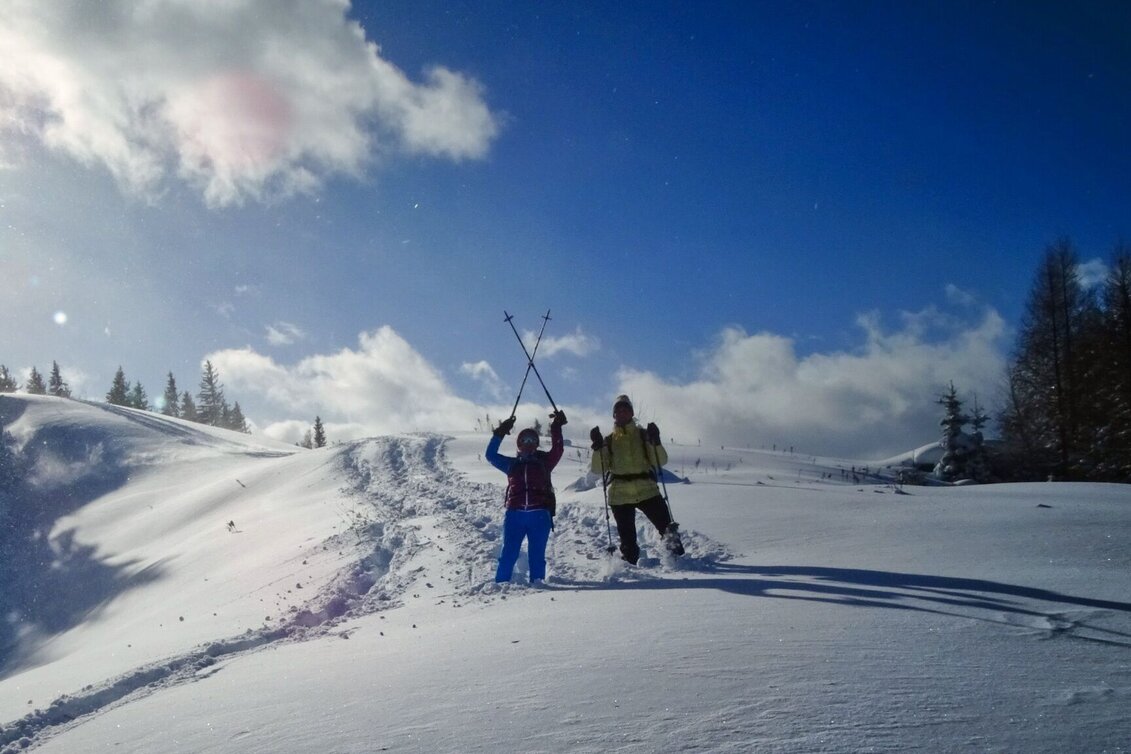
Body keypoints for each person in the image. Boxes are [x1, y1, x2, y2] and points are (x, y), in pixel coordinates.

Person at [590, 395, 684, 565]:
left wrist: (655, 442)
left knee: (668, 530)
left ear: (631, 413)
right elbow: (598, 469)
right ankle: (631, 568)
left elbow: (660, 461)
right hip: (620, 495)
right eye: (618, 410)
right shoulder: (608, 441)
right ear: (614, 415)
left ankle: (679, 561)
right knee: (628, 542)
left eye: (625, 409)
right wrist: (597, 449)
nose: (621, 413)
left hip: (646, 489)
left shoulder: (643, 435)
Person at [485, 410, 567, 583]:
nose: (528, 443)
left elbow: (558, 449)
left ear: (536, 444)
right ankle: (500, 587)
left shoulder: (545, 461)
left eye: (532, 440)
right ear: (519, 444)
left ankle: (537, 589)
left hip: (539, 515)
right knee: (508, 554)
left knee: (537, 556)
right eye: (524, 440)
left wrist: (556, 427)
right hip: (515, 515)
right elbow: (490, 456)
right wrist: (499, 433)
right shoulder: (511, 464)